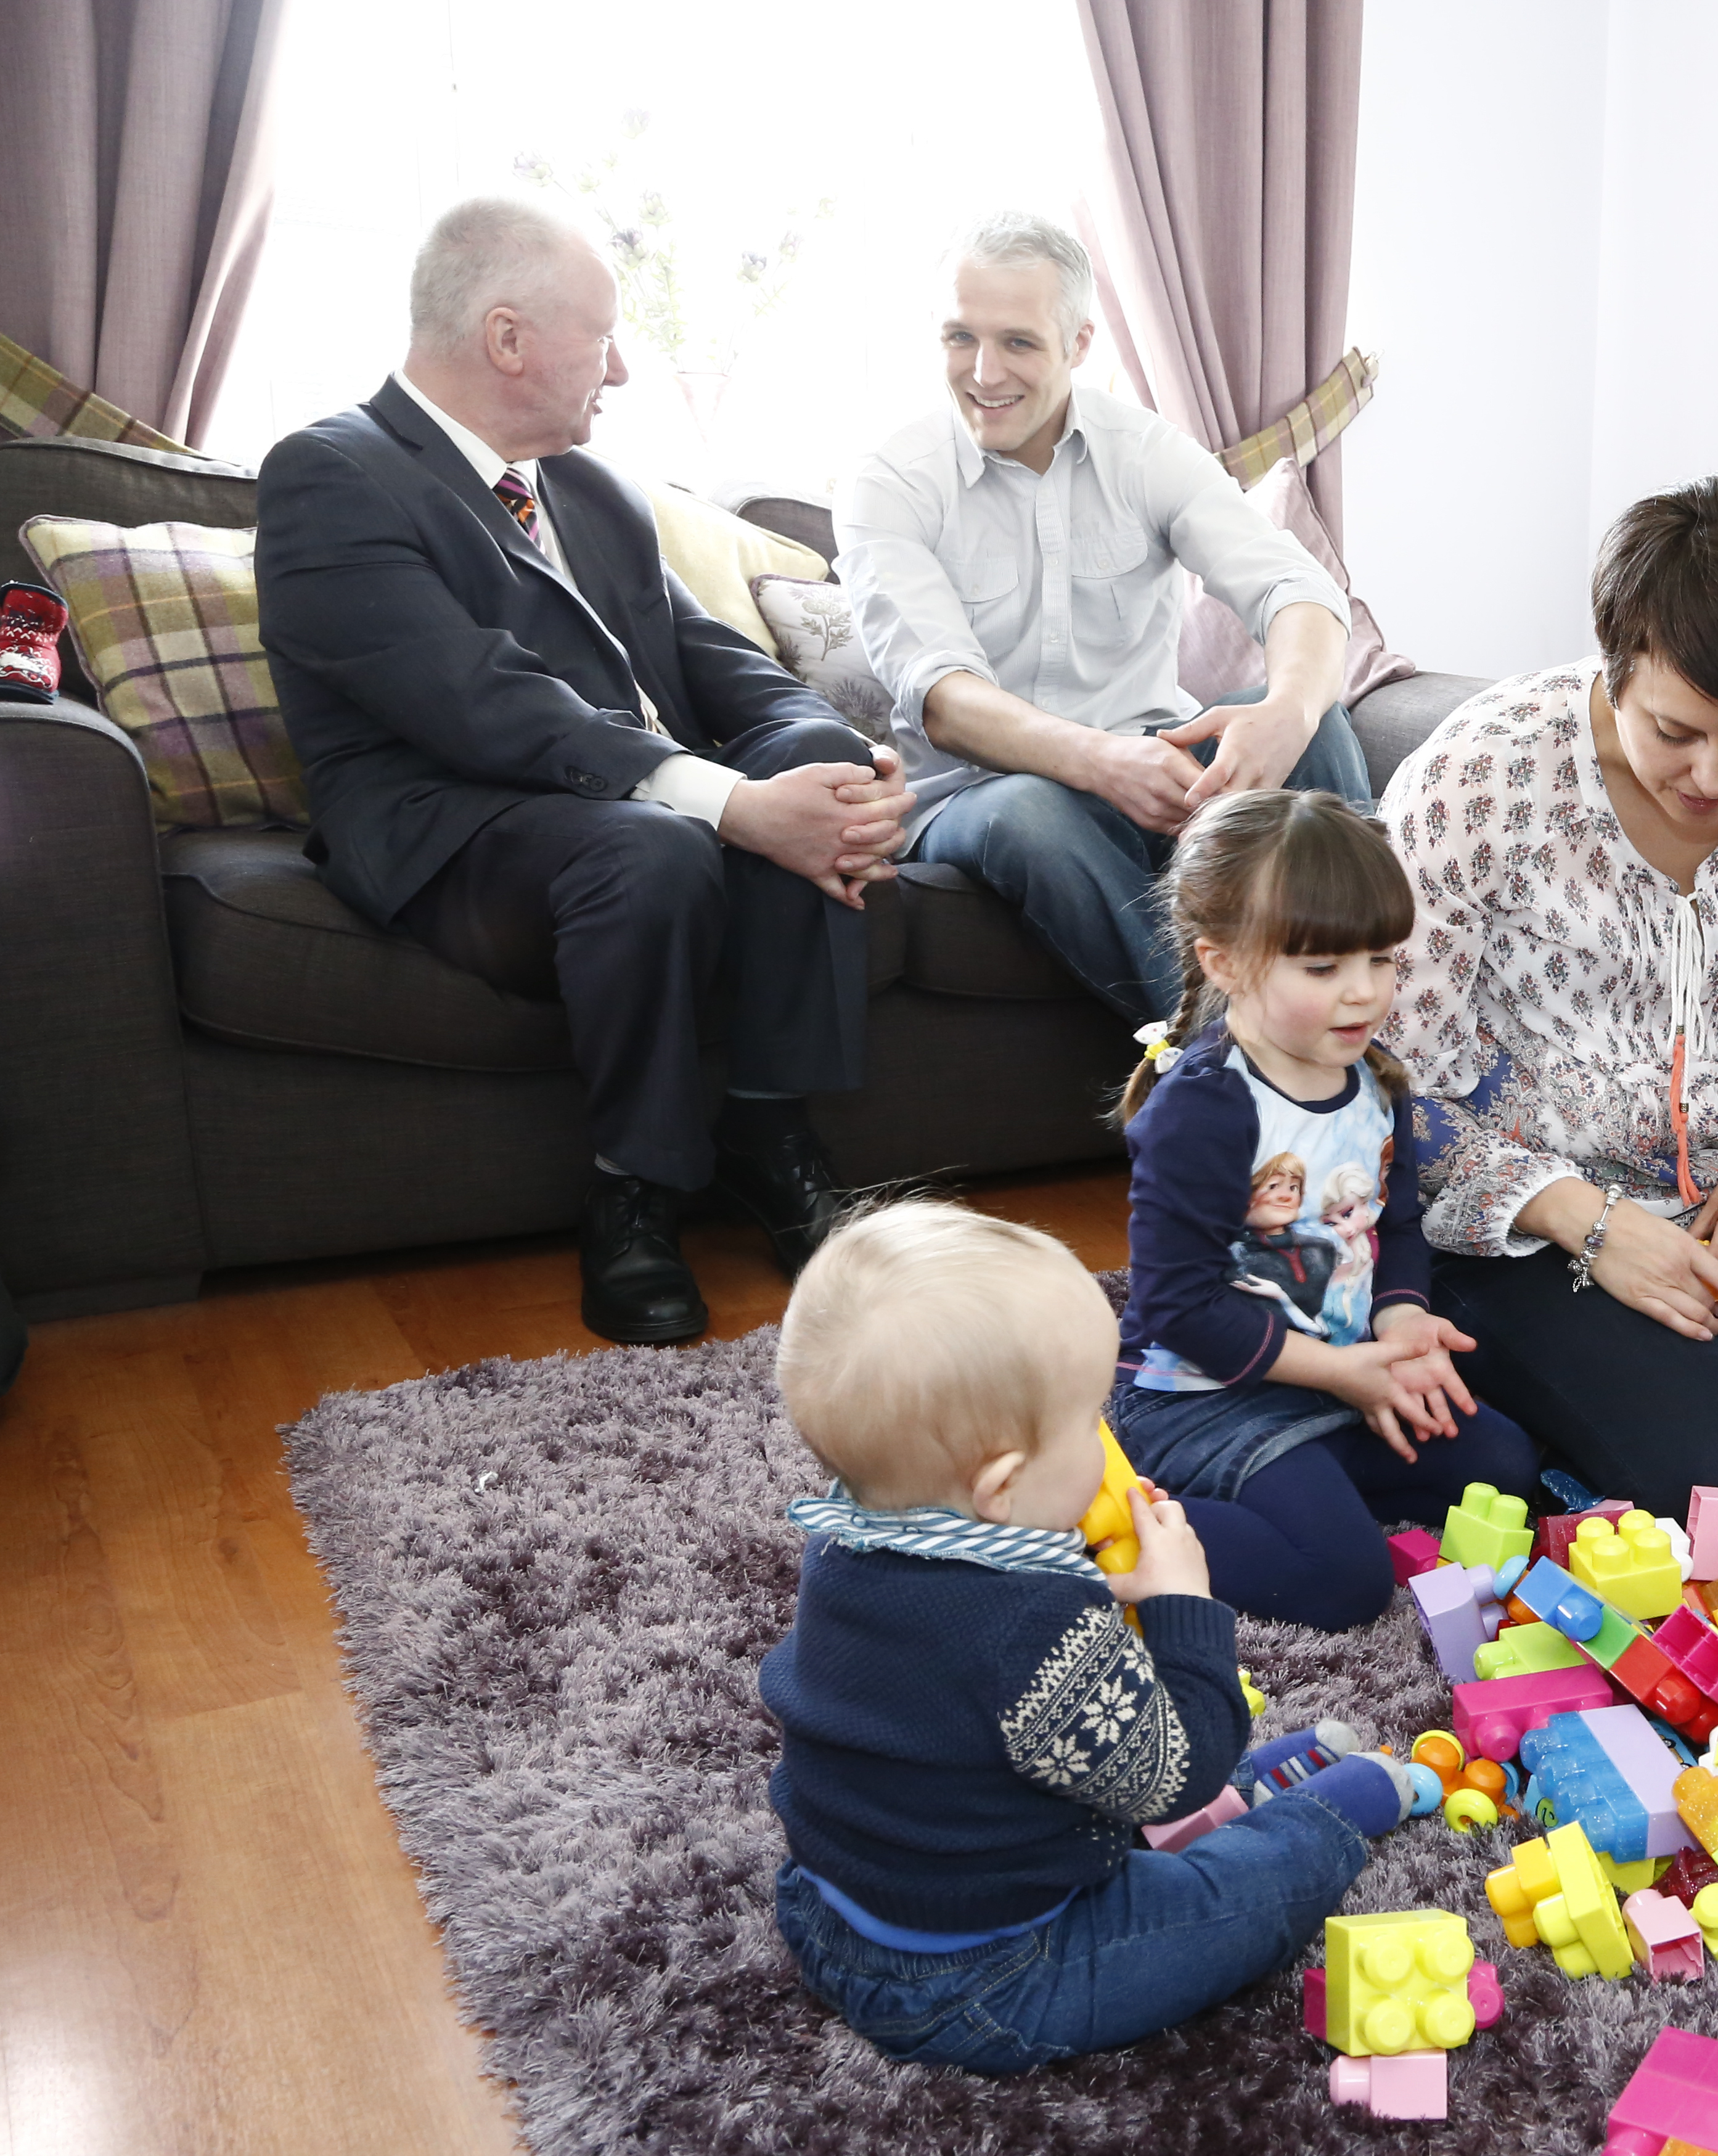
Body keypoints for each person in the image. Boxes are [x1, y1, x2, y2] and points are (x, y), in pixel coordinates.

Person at [255, 197, 912, 1346]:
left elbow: (709, 657)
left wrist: (842, 763)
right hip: (462, 824)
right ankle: (636, 1192)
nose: (620, 372)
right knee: (652, 847)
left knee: (808, 757)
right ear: (507, 339)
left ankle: (767, 1137)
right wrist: (735, 805)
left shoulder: (594, 489)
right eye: (603, 339)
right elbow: (477, 704)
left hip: (613, 794)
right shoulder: (333, 471)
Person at [1381, 477, 1718, 1521]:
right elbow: (1387, 1085)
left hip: (1713, 1197)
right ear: (1617, 661)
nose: (1715, 775)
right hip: (1511, 1223)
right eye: (1677, 731)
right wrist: (1589, 1223)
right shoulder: (1480, 782)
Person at [758, 1200, 1407, 2070]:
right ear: (1002, 1486)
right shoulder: (1032, 1626)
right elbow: (1177, 1778)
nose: (1110, 1446)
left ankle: (1258, 1801)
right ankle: (1317, 1818)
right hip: (986, 1974)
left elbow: (969, 1689)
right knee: (1251, 1895)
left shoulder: (849, 1537)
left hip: (834, 1902)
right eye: (1089, 1425)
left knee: (1098, 1755)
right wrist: (1185, 1606)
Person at [836, 211, 1370, 1027]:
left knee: (1322, 725)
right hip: (983, 798)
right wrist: (1103, 762)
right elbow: (941, 696)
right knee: (1031, 814)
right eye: (959, 338)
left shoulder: (1148, 452)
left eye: (1017, 342)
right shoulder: (890, 483)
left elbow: (1295, 591)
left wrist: (1286, 712)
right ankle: (1233, 1068)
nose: (982, 372)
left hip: (1153, 768)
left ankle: (1393, 1033)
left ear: (1080, 344)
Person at [1116, 789, 1539, 1629]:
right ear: (1225, 963)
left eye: (1382, 959)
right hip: (1202, 1400)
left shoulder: (1376, 1080)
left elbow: (1398, 1228)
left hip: (1334, 1381)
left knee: (1505, 1467)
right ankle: (1104, 1532)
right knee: (1341, 1581)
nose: (1364, 994)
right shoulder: (1206, 1109)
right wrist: (1346, 1373)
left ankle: (1305, 1483)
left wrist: (1401, 1321)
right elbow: (1179, 1304)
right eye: (1323, 969)